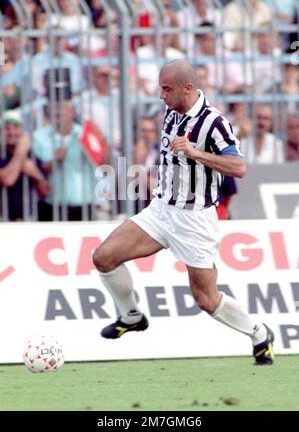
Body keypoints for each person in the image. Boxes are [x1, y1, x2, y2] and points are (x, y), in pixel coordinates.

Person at [92, 59, 274, 365]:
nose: (161, 96)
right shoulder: (171, 111)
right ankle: (132, 315)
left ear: (188, 88)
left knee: (206, 299)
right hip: (162, 210)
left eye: (167, 89)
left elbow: (239, 166)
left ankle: (259, 333)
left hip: (195, 219)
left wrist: (195, 152)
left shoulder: (214, 123)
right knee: (103, 258)